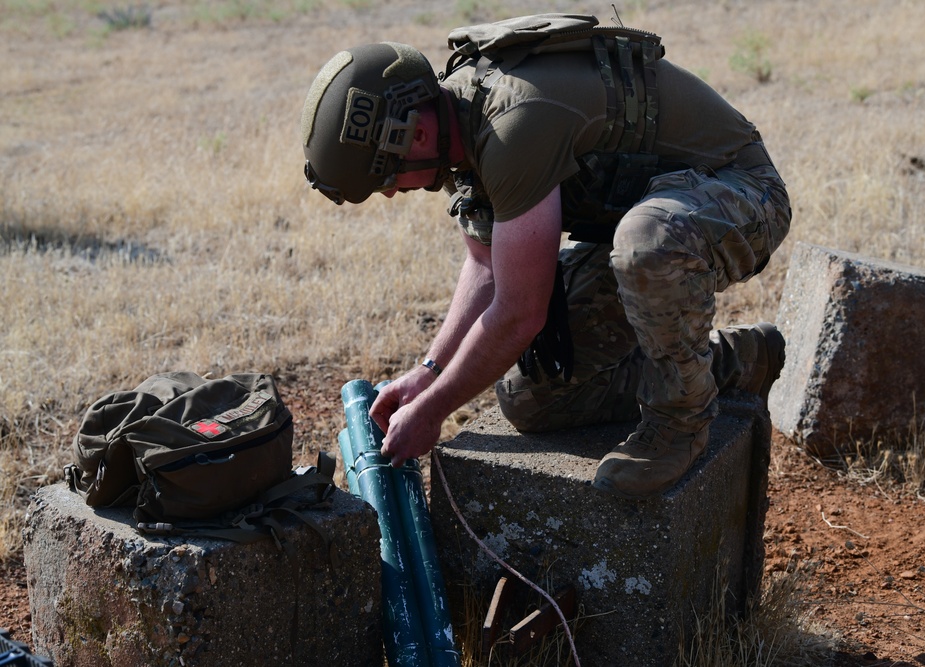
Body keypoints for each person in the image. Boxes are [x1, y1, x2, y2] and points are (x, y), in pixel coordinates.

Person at [300, 15, 792, 499]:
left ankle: (680, 423)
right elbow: (488, 269)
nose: (390, 194)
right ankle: (735, 359)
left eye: (385, 179)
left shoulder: (514, 123)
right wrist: (426, 376)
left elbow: (521, 313)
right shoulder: (456, 128)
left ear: (416, 134)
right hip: (645, 227)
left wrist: (432, 412)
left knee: (648, 244)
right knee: (532, 398)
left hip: (741, 194)